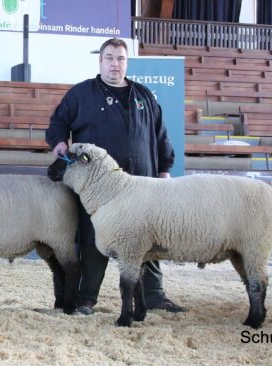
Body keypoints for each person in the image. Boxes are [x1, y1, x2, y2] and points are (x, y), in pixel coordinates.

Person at [45, 38, 186, 315]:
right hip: (97, 188)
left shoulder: (144, 96)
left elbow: (161, 136)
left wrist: (164, 169)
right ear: (100, 61)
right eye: (109, 57)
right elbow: (58, 123)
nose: (115, 63)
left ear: (127, 62)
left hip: (142, 183)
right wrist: (59, 141)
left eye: (120, 58)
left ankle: (154, 295)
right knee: (94, 237)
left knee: (146, 237)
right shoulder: (81, 94)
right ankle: (87, 297)